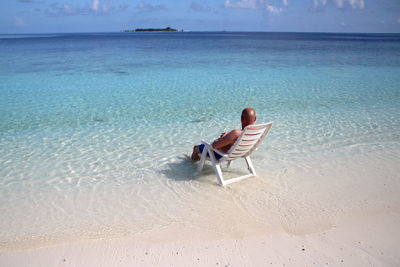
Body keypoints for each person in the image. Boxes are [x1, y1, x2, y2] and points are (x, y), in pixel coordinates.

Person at [191, 107, 257, 161]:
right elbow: (238, 137)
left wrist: (223, 138)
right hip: (240, 153)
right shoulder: (256, 133)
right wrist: (228, 137)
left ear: (241, 118)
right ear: (255, 119)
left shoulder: (236, 133)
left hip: (221, 155)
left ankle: (192, 165)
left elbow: (214, 146)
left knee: (196, 148)